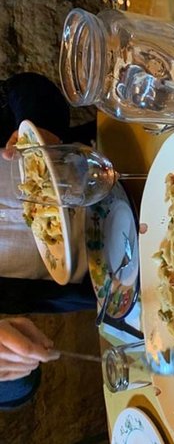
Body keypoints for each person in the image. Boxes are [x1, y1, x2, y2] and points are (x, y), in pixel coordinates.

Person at [0, 72, 98, 408]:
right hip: (120, 273)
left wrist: (41, 127)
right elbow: (20, 391)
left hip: (111, 158)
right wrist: (11, 364)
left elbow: (24, 88)